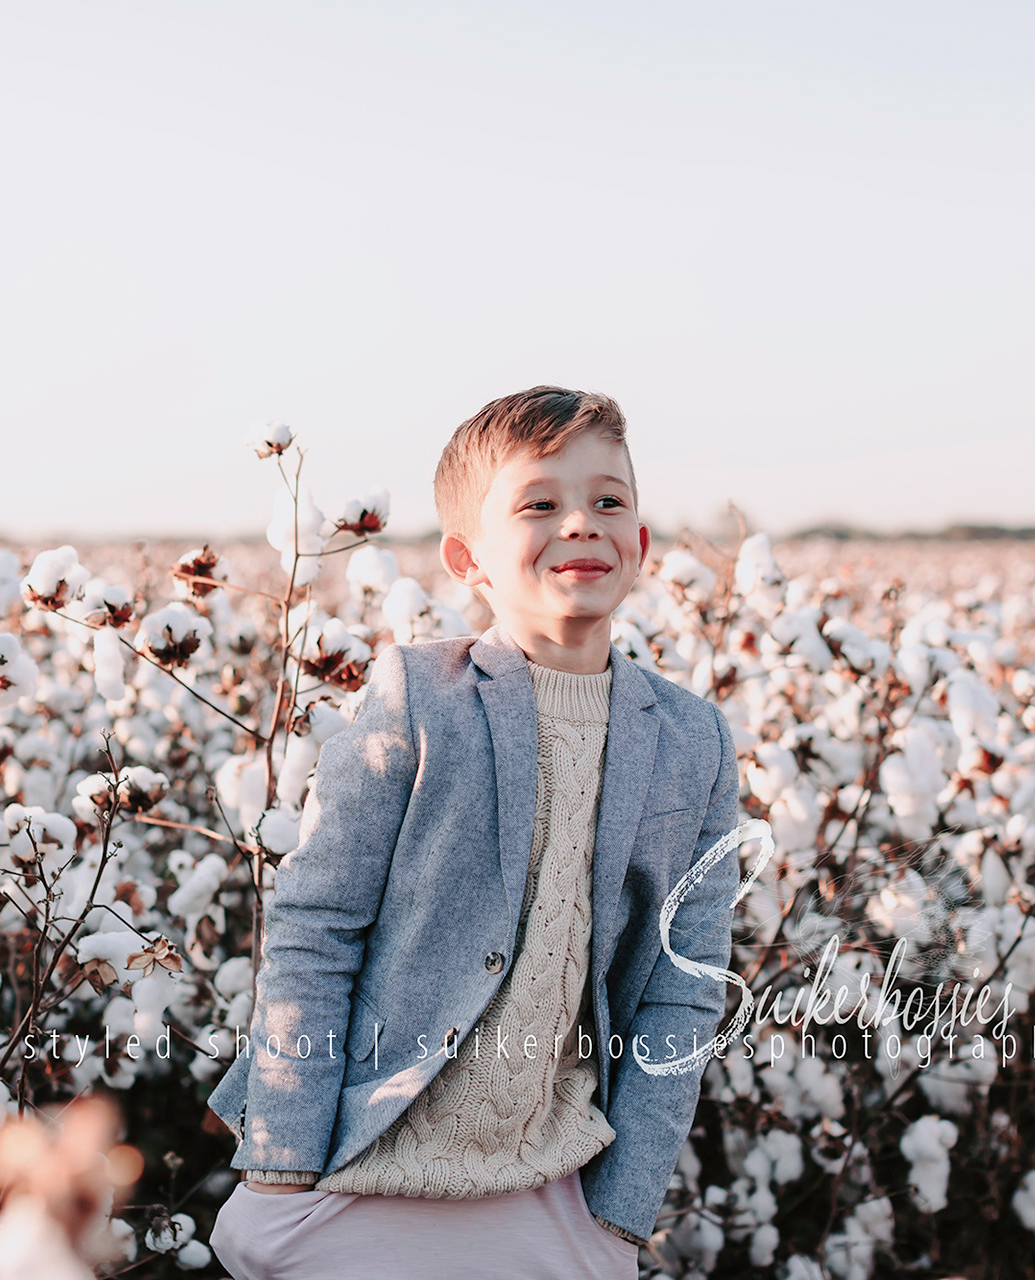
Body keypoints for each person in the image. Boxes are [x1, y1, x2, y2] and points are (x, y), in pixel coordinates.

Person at [207, 386, 742, 1278]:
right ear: (469, 558)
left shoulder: (694, 741)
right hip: (363, 1168)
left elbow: (684, 991)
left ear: (640, 544)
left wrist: (620, 1218)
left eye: (609, 501)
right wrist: (280, 1163)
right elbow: (317, 925)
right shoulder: (419, 697)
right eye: (540, 503)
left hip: (553, 1194)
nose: (581, 523)